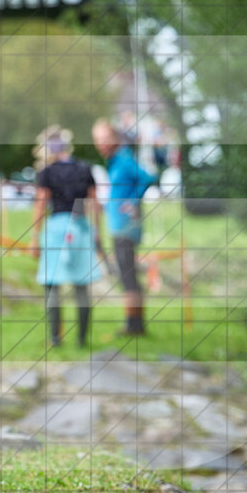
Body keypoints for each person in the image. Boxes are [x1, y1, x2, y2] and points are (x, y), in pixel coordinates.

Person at [31, 126, 102, 347]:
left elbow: (41, 204)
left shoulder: (47, 172)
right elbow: (95, 204)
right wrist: (96, 233)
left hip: (56, 229)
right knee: (82, 285)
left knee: (52, 284)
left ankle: (55, 338)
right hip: (80, 228)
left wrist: (34, 236)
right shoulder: (84, 169)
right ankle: (81, 339)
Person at [93, 118, 157, 336]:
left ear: (114, 139)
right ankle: (135, 324)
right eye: (97, 140)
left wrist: (133, 201)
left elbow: (148, 177)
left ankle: (133, 325)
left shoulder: (124, 159)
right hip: (119, 226)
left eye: (103, 139)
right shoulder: (115, 162)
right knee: (127, 276)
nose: (99, 144)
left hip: (125, 228)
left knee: (127, 276)